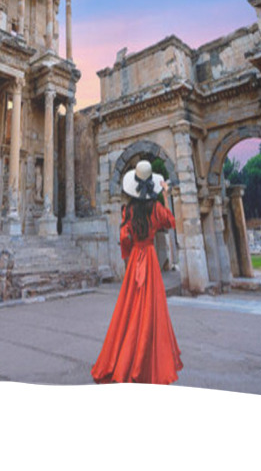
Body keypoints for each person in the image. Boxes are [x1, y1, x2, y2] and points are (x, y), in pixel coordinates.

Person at [91, 159, 183, 385]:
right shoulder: (157, 207)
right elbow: (171, 222)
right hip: (150, 258)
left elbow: (123, 237)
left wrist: (128, 253)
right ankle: (149, 359)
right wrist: (166, 197)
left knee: (129, 308)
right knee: (152, 307)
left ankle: (124, 359)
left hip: (136, 260)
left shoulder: (129, 210)